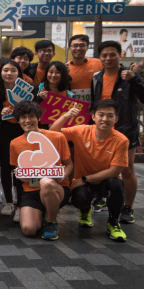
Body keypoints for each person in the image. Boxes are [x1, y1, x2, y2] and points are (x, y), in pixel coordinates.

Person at [92, 40, 144, 224]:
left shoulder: (130, 76)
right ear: (100, 58)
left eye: (112, 54)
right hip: (102, 130)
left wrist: (134, 78)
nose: (108, 58)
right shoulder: (97, 77)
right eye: (104, 55)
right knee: (101, 166)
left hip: (126, 129)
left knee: (127, 170)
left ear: (120, 55)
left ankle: (128, 207)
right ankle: (102, 198)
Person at [50, 99, 129, 242]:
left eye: (110, 115)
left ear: (116, 119)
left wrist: (84, 179)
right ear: (93, 117)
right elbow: (52, 133)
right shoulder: (82, 130)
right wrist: (66, 116)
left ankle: (113, 222)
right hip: (84, 184)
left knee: (117, 184)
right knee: (78, 200)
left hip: (104, 182)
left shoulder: (121, 140)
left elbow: (114, 171)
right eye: (101, 114)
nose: (105, 119)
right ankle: (86, 211)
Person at [10, 101, 72, 240]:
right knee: (29, 229)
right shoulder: (15, 143)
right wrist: (20, 175)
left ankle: (52, 221)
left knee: (46, 183)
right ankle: (43, 213)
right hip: (31, 191)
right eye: (23, 117)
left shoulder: (57, 137)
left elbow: (69, 165)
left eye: (31, 116)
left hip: (57, 188)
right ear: (18, 120)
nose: (27, 121)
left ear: (38, 118)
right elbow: (18, 169)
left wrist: (62, 176)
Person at [0, 59, 25, 220]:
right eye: (6, 70)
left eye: (13, 70)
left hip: (21, 132)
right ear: (1, 73)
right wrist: (0, 113)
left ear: (19, 73)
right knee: (5, 166)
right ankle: (9, 202)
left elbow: (33, 112)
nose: (9, 73)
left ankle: (20, 205)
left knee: (20, 167)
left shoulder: (28, 91)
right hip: (2, 132)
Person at [67, 35, 103, 103]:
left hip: (94, 110)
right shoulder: (65, 69)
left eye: (82, 45)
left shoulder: (99, 63)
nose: (78, 48)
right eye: (75, 45)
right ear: (69, 48)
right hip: (73, 111)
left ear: (87, 47)